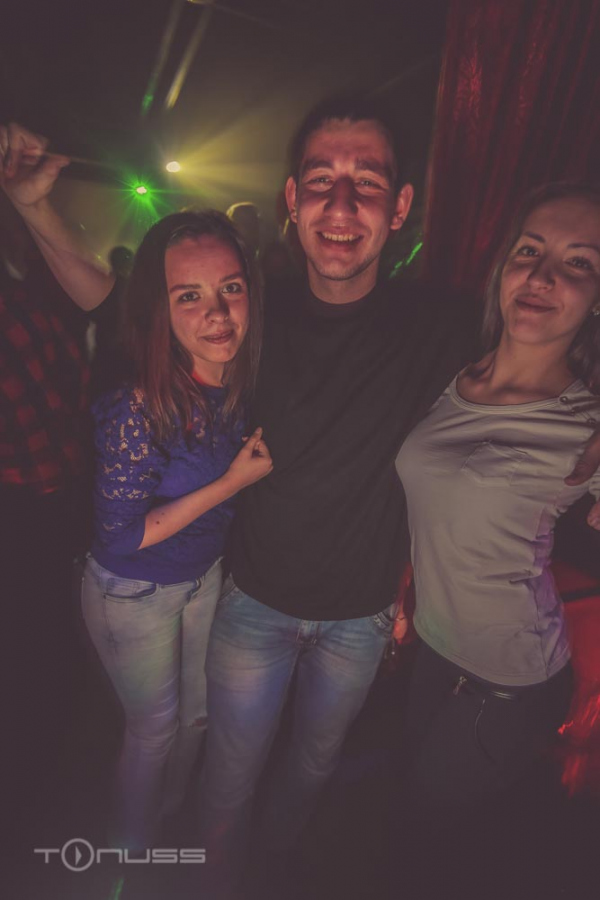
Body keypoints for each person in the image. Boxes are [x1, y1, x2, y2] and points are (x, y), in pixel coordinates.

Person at [394, 182, 600, 889]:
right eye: (529, 251)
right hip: (433, 647)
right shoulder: (454, 370)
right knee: (415, 813)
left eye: (578, 263)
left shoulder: (587, 424)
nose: (542, 275)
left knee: (433, 835)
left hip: (510, 679)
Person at [79, 209, 272, 851]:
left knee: (197, 717)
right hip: (133, 591)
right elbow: (120, 537)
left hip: (202, 576)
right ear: (160, 308)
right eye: (189, 295)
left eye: (230, 288)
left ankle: (169, 820)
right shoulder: (138, 401)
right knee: (154, 730)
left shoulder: (238, 380)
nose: (217, 313)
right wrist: (230, 484)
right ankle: (128, 854)